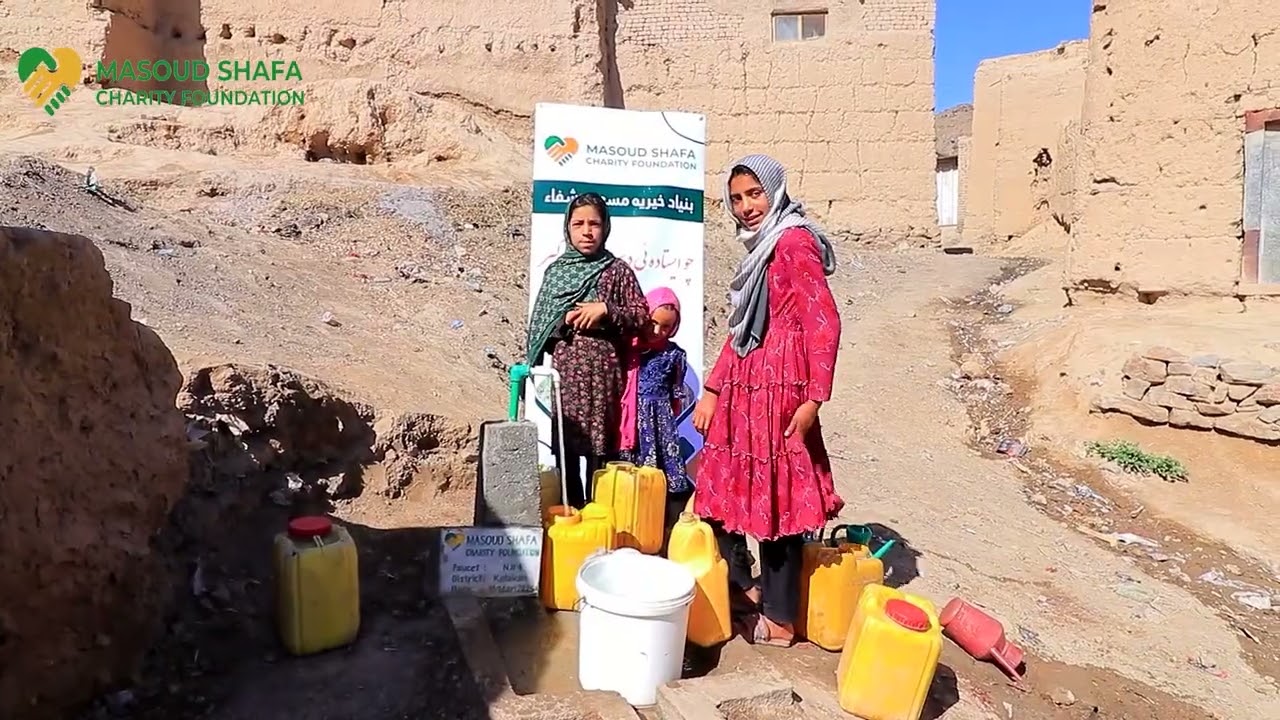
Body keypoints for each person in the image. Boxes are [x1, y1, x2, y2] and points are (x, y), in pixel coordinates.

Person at [690, 154, 844, 647]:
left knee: (779, 503)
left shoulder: (794, 241)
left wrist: (814, 399)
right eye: (737, 198)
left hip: (781, 388)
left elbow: (824, 321)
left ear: (775, 191)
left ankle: (779, 620)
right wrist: (713, 388)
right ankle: (746, 587)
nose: (746, 207)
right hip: (746, 386)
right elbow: (741, 330)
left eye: (755, 194)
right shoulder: (758, 249)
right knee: (719, 490)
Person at [525, 192, 650, 508]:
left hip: (606, 377)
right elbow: (541, 326)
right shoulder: (557, 273)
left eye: (594, 224)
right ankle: (570, 513)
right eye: (578, 224)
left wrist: (606, 310)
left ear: (605, 227)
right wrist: (565, 319)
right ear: (567, 228)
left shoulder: (617, 270)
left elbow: (641, 316)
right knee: (566, 448)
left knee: (602, 450)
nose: (587, 231)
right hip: (567, 379)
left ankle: (600, 515)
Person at [619, 287, 694, 552]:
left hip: (661, 424)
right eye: (653, 323)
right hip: (631, 423)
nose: (658, 331)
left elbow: (676, 396)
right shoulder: (628, 350)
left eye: (666, 327)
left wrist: (663, 422)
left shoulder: (675, 355)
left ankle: (662, 536)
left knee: (664, 478)